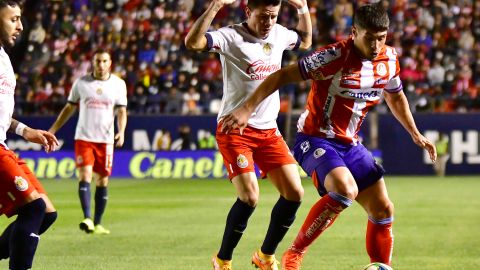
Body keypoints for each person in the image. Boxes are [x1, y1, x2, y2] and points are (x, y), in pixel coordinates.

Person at [221, 2, 437, 270]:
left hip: (350, 144)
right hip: (314, 139)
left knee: (383, 209)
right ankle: (294, 254)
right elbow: (280, 77)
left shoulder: (389, 59)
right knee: (345, 189)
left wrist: (415, 133)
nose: (376, 45)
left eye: (381, 38)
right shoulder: (332, 57)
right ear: (354, 31)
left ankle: (381, 267)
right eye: (370, 38)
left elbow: (395, 96)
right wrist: (246, 109)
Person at [185, 0, 312, 269]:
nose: (268, 23)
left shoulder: (278, 33)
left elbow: (305, 41)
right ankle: (222, 260)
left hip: (268, 130)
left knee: (295, 193)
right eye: (263, 16)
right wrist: (216, 5)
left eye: (274, 16)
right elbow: (193, 43)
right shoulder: (231, 36)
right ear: (247, 12)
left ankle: (265, 256)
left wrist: (302, 8)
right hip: (235, 129)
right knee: (250, 196)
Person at [0, 1, 59, 269]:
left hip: (3, 143)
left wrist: (25, 131)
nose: (20, 26)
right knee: (33, 209)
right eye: (13, 19)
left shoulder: (4, 57)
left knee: (46, 212)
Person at [48, 48, 128, 235]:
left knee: (102, 180)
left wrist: (121, 132)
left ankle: (98, 223)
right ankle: (87, 218)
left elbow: (122, 111)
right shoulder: (81, 83)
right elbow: (69, 108)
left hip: (106, 140)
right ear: (93, 63)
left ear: (110, 63)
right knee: (84, 176)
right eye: (97, 61)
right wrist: (53, 129)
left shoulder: (118, 84)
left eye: (104, 61)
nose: (101, 65)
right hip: (84, 137)